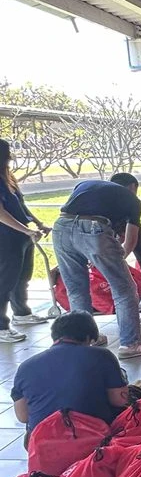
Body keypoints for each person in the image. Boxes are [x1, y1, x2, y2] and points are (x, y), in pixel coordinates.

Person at [52, 177, 141, 358]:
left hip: (61, 228)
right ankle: (130, 344)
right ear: (132, 188)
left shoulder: (87, 184)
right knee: (124, 288)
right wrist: (117, 262)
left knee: (76, 289)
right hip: (93, 228)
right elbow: (130, 241)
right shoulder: (133, 200)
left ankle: (84, 339)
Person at [12, 311, 128, 444]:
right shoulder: (101, 355)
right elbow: (120, 400)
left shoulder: (25, 366)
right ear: (88, 337)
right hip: (95, 439)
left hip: (43, 443)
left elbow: (23, 416)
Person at [0, 138, 49, 343]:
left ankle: (21, 312)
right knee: (5, 281)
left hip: (22, 235)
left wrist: (37, 223)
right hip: (6, 237)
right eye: (7, 154)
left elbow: (20, 205)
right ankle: (2, 327)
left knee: (22, 276)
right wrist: (26, 230)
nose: (10, 157)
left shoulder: (7, 177)